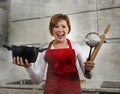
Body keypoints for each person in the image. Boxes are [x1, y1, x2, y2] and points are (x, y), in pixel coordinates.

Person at [13, 13, 95, 94]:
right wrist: (28, 67)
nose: (60, 30)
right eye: (56, 26)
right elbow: (38, 80)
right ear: (51, 30)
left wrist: (89, 70)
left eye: (63, 26)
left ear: (68, 29)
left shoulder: (76, 47)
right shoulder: (44, 50)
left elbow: (88, 76)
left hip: (72, 91)